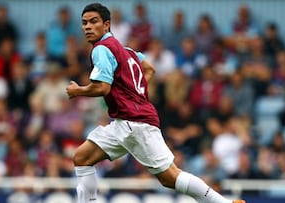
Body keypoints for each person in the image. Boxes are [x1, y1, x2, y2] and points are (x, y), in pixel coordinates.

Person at [66, 3, 246, 203]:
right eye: (84, 23)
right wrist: (135, 92)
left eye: (93, 22)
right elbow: (150, 68)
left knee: (170, 176)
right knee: (82, 158)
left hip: (134, 123)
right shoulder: (126, 51)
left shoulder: (100, 49)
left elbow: (103, 88)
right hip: (127, 122)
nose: (87, 27)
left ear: (107, 25)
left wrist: (78, 90)